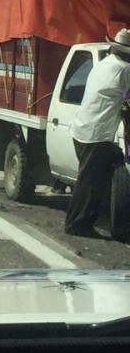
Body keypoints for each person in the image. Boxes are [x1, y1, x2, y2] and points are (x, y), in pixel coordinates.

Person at [65, 28, 130, 237]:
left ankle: (84, 221)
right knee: (89, 184)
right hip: (97, 133)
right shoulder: (125, 70)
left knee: (91, 179)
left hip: (82, 128)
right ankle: (77, 224)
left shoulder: (103, 64)